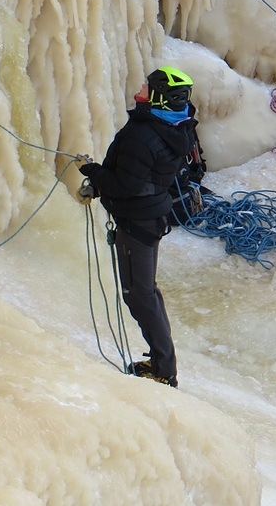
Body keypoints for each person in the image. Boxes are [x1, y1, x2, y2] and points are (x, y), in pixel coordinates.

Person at [77, 66, 195, 388]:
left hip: (138, 222)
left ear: (159, 95)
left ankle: (163, 369)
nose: (140, 89)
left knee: (139, 295)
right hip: (150, 217)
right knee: (146, 292)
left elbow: (125, 185)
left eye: (147, 86)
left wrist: (93, 172)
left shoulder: (144, 135)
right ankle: (162, 362)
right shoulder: (178, 124)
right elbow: (138, 179)